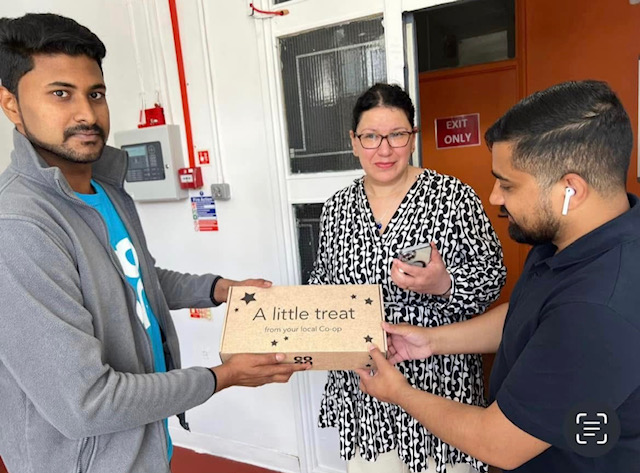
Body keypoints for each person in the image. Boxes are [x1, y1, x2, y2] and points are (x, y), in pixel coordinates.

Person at [0, 13, 307, 473]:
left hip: (142, 446)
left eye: (96, 94)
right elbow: (87, 403)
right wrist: (222, 377)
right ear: (11, 104)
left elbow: (134, 277)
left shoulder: (105, 192)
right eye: (60, 93)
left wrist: (218, 288)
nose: (87, 114)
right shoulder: (19, 227)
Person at [356, 80, 640, 473]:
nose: (494, 197)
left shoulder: (598, 308)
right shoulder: (564, 241)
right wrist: (431, 340)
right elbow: (524, 314)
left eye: (508, 184)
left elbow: (498, 443)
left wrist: (400, 393)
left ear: (570, 190)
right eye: (370, 137)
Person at [308, 83, 506, 473]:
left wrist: (444, 284)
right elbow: (322, 283)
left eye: (397, 135)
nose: (384, 150)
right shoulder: (336, 209)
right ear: (353, 141)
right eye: (370, 137)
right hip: (367, 388)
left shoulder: (452, 198)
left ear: (412, 138)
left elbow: (492, 278)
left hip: (440, 382)